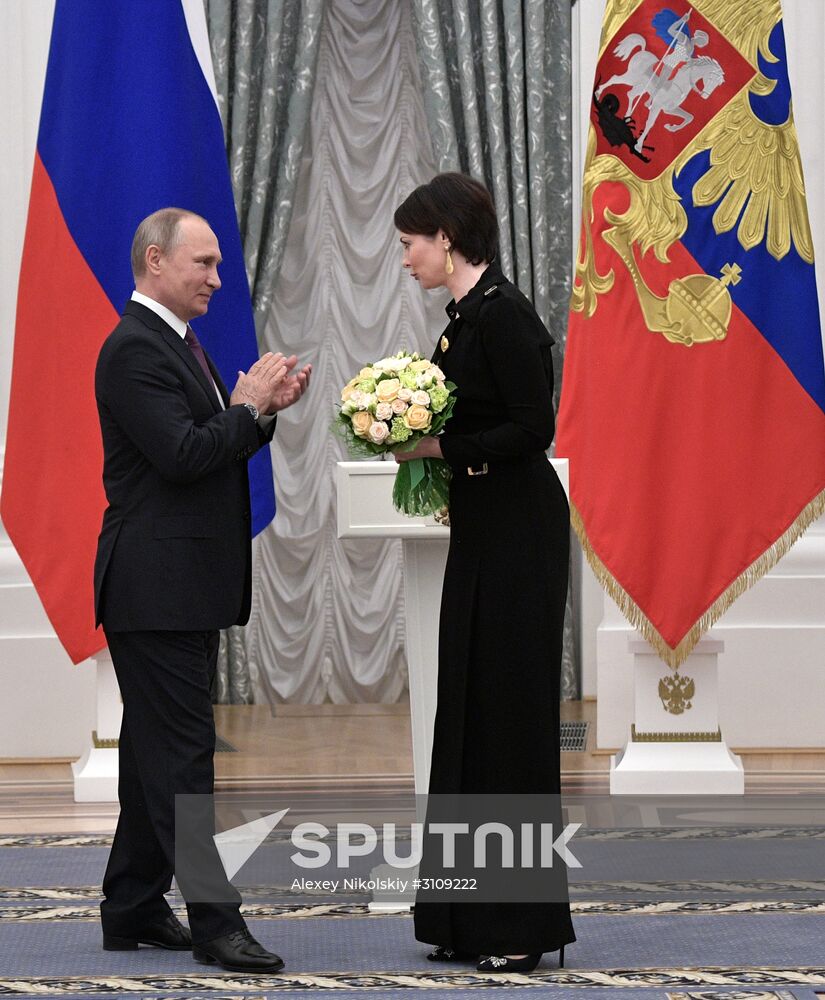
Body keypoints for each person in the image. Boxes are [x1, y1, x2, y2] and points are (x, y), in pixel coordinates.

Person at [94, 207, 311, 973]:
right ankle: (218, 924)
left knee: (155, 751)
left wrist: (257, 413)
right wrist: (246, 410)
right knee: (184, 760)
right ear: (156, 261)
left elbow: (205, 446)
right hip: (155, 589)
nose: (218, 279)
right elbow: (185, 456)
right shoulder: (133, 351)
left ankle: (132, 905)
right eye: (205, 264)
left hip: (176, 587)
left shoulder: (174, 343)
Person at [393, 174, 576, 973]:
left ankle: (521, 929)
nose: (404, 258)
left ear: (446, 237)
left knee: (508, 724)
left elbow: (533, 429)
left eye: (409, 242)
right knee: (467, 715)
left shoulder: (504, 316)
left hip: (519, 536)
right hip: (485, 529)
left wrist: (437, 449)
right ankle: (465, 919)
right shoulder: (459, 321)